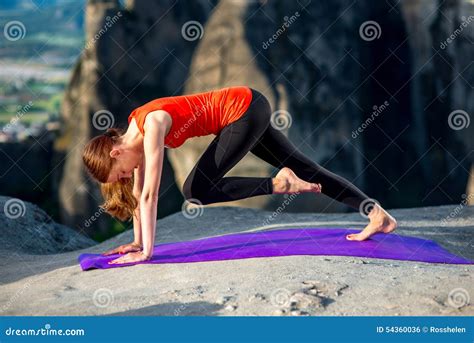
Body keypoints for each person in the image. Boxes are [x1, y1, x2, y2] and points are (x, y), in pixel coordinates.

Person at [82, 86, 397, 264]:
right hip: (248, 105)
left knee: (196, 188)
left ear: (116, 151)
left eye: (120, 172)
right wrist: (137, 243)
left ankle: (280, 183)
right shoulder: (136, 129)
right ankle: (377, 214)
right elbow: (140, 194)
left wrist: (147, 254)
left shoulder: (151, 125)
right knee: (308, 169)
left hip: (243, 112)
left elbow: (149, 194)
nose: (127, 175)